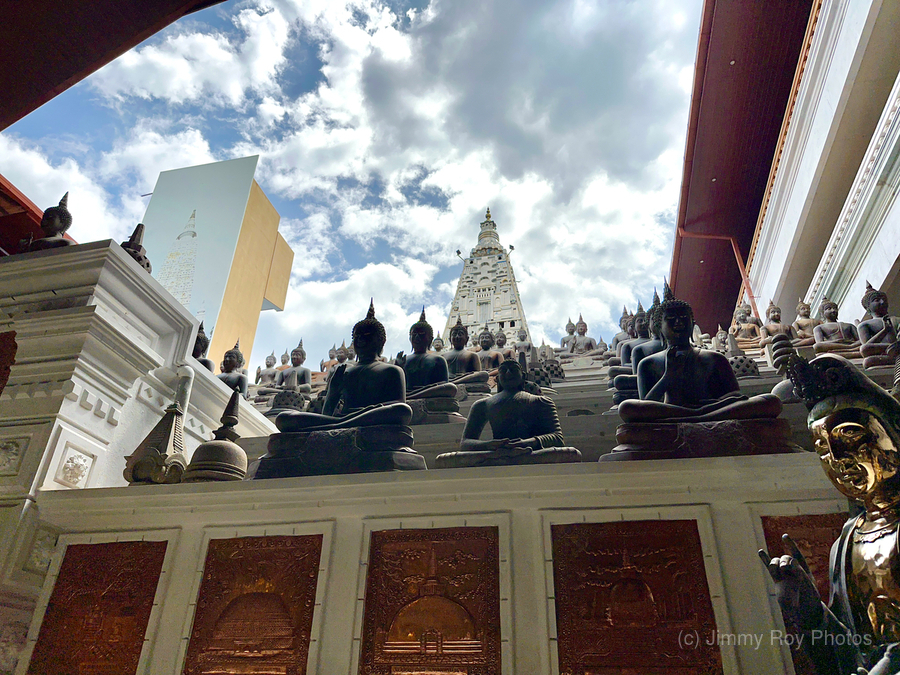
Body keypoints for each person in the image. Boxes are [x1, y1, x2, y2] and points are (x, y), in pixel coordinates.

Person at [761, 353, 900, 675]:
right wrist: (808, 609)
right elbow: (848, 651)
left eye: (849, 435)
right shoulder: (847, 542)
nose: (838, 458)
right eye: (822, 447)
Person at [618, 290, 781, 423]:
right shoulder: (648, 363)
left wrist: (710, 405)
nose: (678, 322)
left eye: (683, 317)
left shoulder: (715, 358)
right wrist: (668, 377)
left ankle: (697, 416)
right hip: (685, 411)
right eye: (671, 319)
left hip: (702, 410)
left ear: (692, 323)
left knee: (770, 402)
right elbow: (646, 404)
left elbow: (734, 396)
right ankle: (701, 417)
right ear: (659, 327)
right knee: (628, 408)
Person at [275, 301, 409, 432]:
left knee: (403, 411)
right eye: (356, 336)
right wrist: (333, 390)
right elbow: (327, 413)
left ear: (380, 341)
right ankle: (341, 424)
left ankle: (340, 425)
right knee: (285, 418)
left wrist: (366, 412)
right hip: (342, 419)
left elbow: (398, 406)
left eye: (367, 335)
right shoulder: (344, 372)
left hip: (371, 416)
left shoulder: (392, 370)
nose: (360, 339)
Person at [435, 360, 580, 467]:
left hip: (529, 452)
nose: (508, 373)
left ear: (523, 376)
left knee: (571, 453)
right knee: (443, 460)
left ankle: (509, 458)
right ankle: (508, 457)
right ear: (497, 378)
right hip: (494, 452)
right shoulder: (482, 404)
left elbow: (557, 438)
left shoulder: (541, 401)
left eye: (513, 369)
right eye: (503, 370)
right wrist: (489, 445)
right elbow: (466, 444)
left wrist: (527, 443)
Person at [858, 282, 900, 368]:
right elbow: (867, 347)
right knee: (865, 354)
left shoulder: (896, 319)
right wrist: (884, 331)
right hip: (886, 352)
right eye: (877, 300)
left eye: (883, 299)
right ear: (868, 307)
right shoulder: (864, 325)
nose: (882, 302)